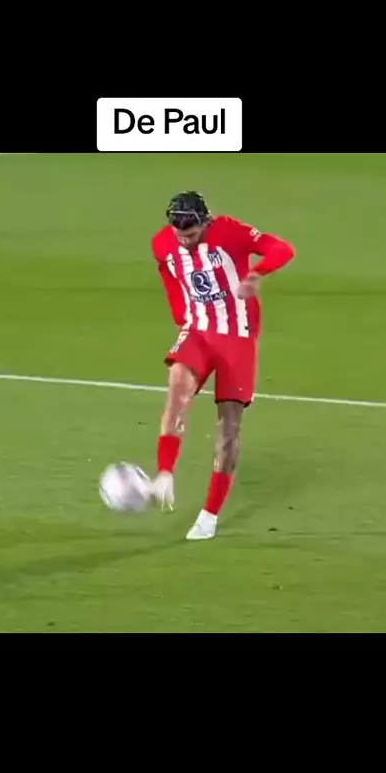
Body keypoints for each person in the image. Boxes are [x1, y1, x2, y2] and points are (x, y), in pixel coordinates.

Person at [150, 191, 296, 541]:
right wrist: (183, 319)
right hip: (198, 333)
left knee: (228, 430)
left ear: (206, 222)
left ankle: (210, 515)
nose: (185, 241)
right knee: (177, 393)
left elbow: (282, 249)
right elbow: (170, 278)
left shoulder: (230, 231)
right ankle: (165, 475)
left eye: (192, 234)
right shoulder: (163, 244)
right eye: (180, 235)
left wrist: (257, 273)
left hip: (238, 339)